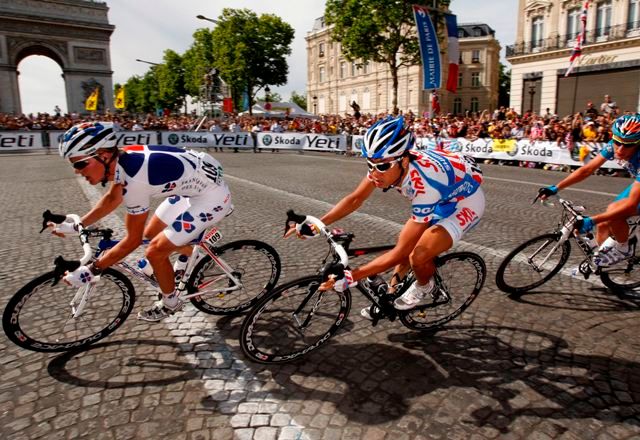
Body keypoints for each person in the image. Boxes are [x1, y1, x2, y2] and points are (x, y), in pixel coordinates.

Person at [285, 115, 485, 316]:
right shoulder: (386, 164)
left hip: (464, 203)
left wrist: (352, 276)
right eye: (369, 164)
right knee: (407, 243)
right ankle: (390, 297)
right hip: (443, 192)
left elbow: (400, 252)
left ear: (404, 161)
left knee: (418, 254)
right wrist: (319, 223)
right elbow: (355, 199)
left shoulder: (424, 185)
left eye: (381, 166)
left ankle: (426, 286)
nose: (374, 173)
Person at [54, 121, 233, 321]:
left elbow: (132, 240)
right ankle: (193, 255)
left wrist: (92, 269)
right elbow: (113, 198)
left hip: (212, 198)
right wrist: (79, 225)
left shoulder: (135, 179)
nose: (77, 171)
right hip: (190, 189)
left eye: (79, 164)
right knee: (151, 235)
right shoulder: (120, 160)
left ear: (103, 156)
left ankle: (170, 302)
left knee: (155, 251)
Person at [538, 113, 640, 266]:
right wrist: (556, 187)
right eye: (617, 142)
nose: (620, 149)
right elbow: (587, 169)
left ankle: (624, 249)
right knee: (604, 222)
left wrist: (590, 221)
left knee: (613, 214)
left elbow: (632, 204)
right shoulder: (615, 144)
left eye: (628, 145)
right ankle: (598, 261)